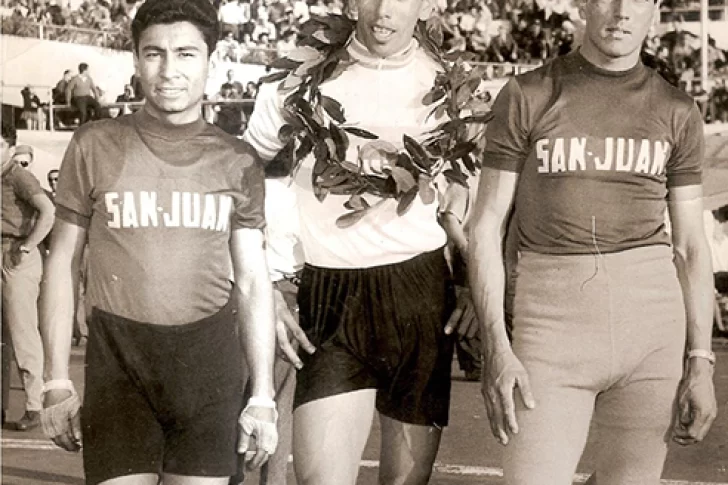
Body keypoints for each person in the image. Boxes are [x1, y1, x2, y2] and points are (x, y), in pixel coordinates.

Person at [468, 0, 718, 484]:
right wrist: (496, 346)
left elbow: (690, 245)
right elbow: (486, 225)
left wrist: (700, 362)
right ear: (583, 5)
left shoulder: (677, 109)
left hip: (651, 336)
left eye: (637, 1)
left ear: (654, 10)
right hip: (551, 329)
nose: (621, 12)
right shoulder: (528, 93)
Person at [38, 1, 279, 484]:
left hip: (207, 367)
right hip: (118, 365)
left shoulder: (238, 160)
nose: (169, 71)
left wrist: (262, 396)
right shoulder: (93, 143)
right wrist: (56, 378)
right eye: (154, 53)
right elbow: (62, 262)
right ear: (135, 58)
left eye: (186, 54)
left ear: (211, 60)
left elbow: (253, 280)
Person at [242, 1, 463, 483]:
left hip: (420, 294)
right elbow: (240, 174)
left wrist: (468, 284)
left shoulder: (446, 84)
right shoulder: (301, 77)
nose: (383, 10)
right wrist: (267, 285)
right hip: (331, 292)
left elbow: (466, 190)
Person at [1, 120, 56, 432]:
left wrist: (27, 246)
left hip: (16, 255)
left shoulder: (19, 176)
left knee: (23, 334)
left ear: (10, 148)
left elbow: (48, 211)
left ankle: (34, 406)